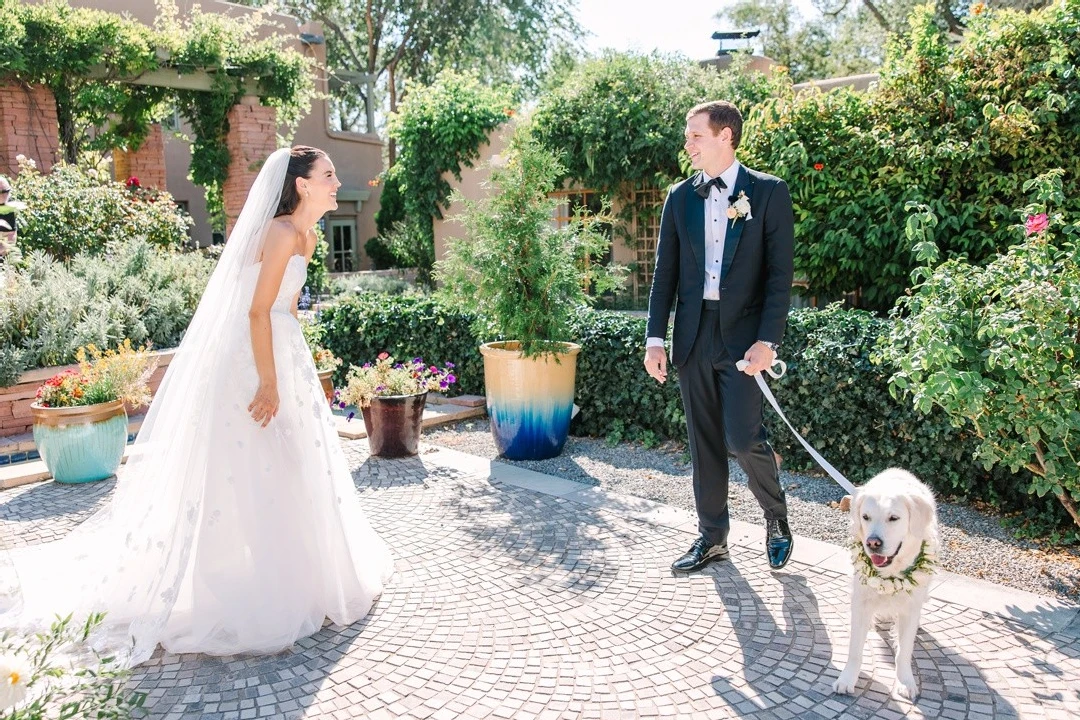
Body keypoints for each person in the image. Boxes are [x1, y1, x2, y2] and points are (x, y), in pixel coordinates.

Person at [1, 147, 393, 663]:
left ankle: (301, 573)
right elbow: (256, 311)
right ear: (301, 184)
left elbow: (286, 310)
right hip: (252, 361)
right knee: (251, 465)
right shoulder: (277, 232)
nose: (336, 181)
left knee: (294, 463)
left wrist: (298, 366)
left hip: (283, 353)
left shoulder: (310, 235)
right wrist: (269, 384)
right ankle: (244, 583)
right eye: (328, 175)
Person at [643, 101, 795, 572]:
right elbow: (664, 272)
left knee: (743, 437)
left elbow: (779, 276)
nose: (687, 145)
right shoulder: (679, 197)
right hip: (692, 335)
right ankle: (712, 537)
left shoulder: (768, 193)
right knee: (703, 441)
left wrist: (768, 340)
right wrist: (655, 338)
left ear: (725, 136)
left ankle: (775, 515)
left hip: (744, 339)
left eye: (695, 136)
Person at [0, 176, 18, 261]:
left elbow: (12, 234)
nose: (7, 194)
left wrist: (3, 249)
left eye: (8, 191)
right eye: (3, 192)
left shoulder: (8, 205)